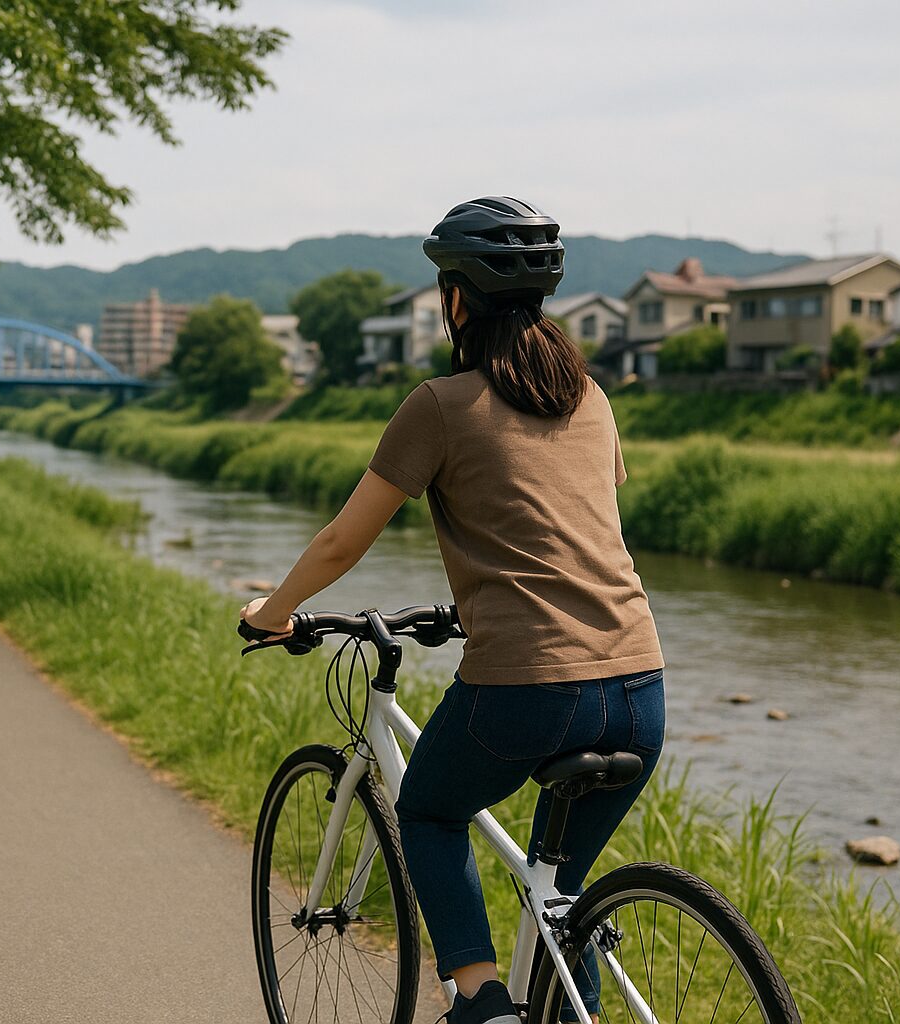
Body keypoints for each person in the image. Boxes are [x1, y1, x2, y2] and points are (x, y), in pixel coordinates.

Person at [240, 196, 664, 1024]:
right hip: (641, 683)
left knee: (430, 812)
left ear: (457, 297)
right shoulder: (592, 398)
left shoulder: (438, 403)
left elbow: (341, 542)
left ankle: (481, 1004)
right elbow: (576, 530)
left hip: (531, 688)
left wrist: (274, 611)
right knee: (561, 904)